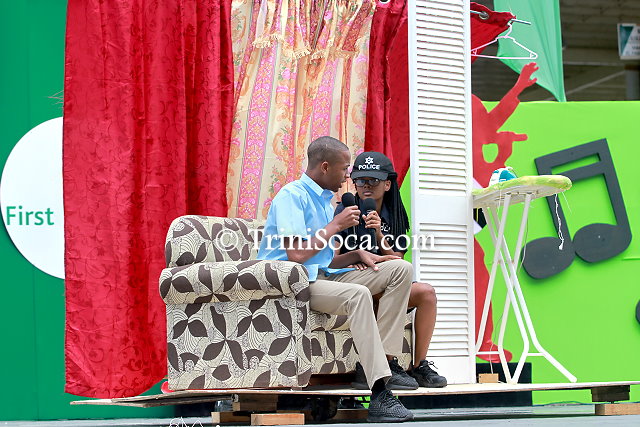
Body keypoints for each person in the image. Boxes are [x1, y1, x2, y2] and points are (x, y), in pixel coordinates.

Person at [257, 137, 415, 423]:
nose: (347, 177)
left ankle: (381, 361)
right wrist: (335, 226)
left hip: (318, 276)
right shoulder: (292, 196)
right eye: (344, 169)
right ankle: (380, 391)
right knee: (358, 294)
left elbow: (323, 261)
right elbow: (296, 255)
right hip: (291, 285)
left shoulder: (323, 200)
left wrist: (357, 254)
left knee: (400, 269)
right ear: (325, 166)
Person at [335, 151, 447, 388]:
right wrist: (355, 258)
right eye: (360, 180)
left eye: (373, 180)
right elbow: (333, 258)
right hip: (356, 280)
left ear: (387, 184)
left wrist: (378, 234)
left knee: (426, 293)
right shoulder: (346, 209)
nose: (366, 185)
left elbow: (398, 262)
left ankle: (419, 366)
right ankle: (384, 364)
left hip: (386, 279)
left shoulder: (394, 215)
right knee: (389, 284)